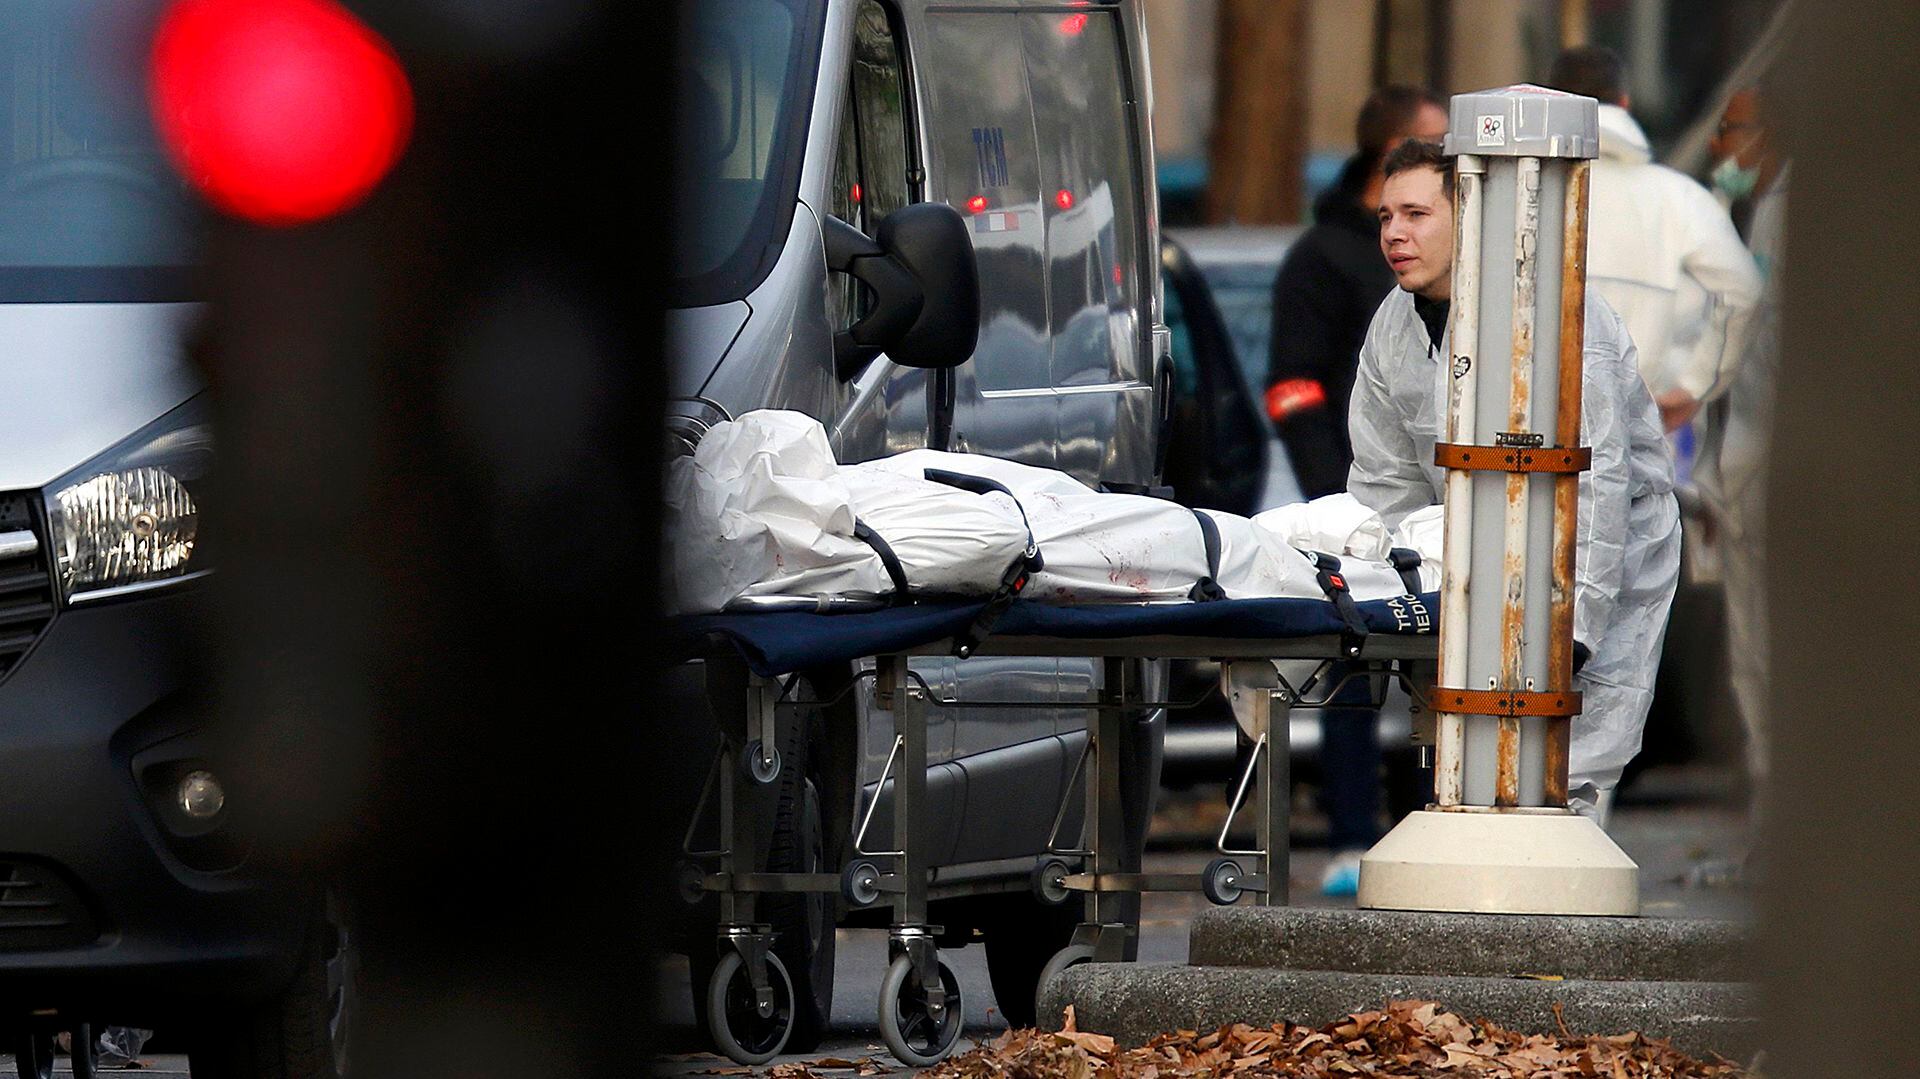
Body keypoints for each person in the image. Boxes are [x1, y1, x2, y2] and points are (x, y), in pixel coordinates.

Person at [1348, 139, 1682, 821]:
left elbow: (1598, 483)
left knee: (1569, 770)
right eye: (1385, 217)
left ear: (1467, 213)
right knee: (1464, 768)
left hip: (1606, 556)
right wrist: (1389, 590)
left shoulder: (1556, 314)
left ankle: (1552, 914)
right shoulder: (1393, 326)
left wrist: (1577, 623)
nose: (1395, 233)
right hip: (1477, 555)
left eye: (1415, 213)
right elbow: (1385, 479)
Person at [1264, 86, 1447, 896]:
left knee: (1424, 684)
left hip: (1420, 513)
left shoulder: (1419, 282)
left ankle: (1419, 830)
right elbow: (1293, 386)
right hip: (1363, 504)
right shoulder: (1326, 259)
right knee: (1353, 675)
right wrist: (1337, 504)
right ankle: (1348, 837)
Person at [1546, 46, 1762, 438]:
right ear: (1625, 104)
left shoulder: (1521, 195)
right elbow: (1744, 289)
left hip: (1527, 432)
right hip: (1635, 432)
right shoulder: (1677, 197)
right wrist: (1696, 386)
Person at [1266, 86, 1448, 496]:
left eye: (1415, 215)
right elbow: (1292, 387)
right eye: (1440, 142)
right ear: (1398, 150)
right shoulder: (1323, 256)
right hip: (1364, 491)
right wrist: (1335, 493)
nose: (1453, 158)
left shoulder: (1451, 259)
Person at [1693, 86, 1787, 823]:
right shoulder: (1733, 212)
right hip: (1737, 466)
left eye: (1730, 130)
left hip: (1786, 467)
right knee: (1752, 653)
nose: (1721, 147)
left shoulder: (1806, 211)